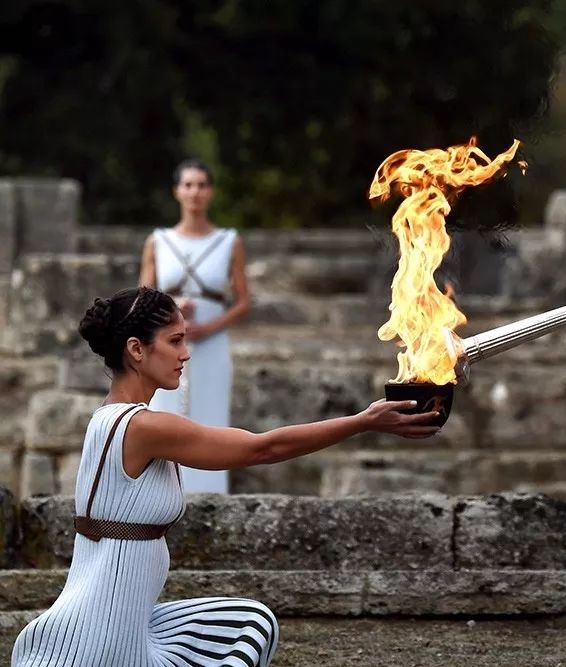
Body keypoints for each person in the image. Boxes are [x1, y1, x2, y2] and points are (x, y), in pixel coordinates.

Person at [11, 287, 438, 666]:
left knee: (249, 621)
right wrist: (362, 422)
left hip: (122, 621)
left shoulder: (110, 419)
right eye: (175, 341)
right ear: (136, 350)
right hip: (102, 639)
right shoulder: (144, 427)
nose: (185, 353)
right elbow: (261, 448)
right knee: (252, 628)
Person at [140, 159, 248, 493]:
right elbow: (142, 297)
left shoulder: (229, 241)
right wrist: (172, 309)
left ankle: (210, 494)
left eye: (201, 185)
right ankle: (160, 493)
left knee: (210, 415)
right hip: (165, 342)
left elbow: (243, 301)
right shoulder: (158, 241)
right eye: (188, 185)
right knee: (164, 412)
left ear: (211, 192)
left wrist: (211, 325)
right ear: (177, 191)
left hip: (212, 343)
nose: (195, 192)